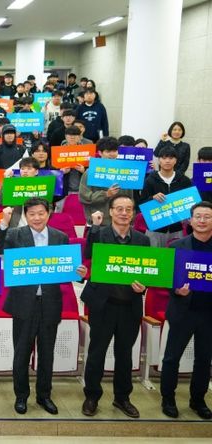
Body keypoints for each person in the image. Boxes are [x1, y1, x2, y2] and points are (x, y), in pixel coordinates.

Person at [0, 198, 87, 415]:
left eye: (41, 213)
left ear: (49, 213)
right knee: (21, 353)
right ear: (26, 215)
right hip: (23, 303)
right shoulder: (15, 234)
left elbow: (68, 268)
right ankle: (21, 396)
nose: (37, 218)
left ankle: (44, 395)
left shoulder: (60, 237)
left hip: (50, 303)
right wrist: (4, 224)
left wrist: (79, 273)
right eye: (32, 214)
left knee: (46, 353)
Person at [81, 195, 150, 418]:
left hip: (130, 305)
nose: (124, 213)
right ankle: (92, 396)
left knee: (125, 355)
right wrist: (93, 227)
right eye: (119, 209)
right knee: (96, 352)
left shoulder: (142, 240)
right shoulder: (99, 234)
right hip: (103, 305)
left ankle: (122, 398)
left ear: (133, 213)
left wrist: (144, 286)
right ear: (110, 211)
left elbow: (147, 270)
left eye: (128, 209)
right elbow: (88, 255)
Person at [160, 202, 212, 419]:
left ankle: (198, 400)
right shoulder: (176, 247)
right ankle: (168, 399)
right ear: (190, 220)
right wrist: (177, 290)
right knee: (172, 358)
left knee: (204, 359)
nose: (202, 221)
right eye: (198, 216)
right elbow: (167, 278)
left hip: (209, 314)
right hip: (183, 311)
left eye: (207, 217)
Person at [139, 146, 192, 247]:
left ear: (175, 160)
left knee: (176, 255)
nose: (167, 161)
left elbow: (191, 202)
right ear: (159, 160)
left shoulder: (184, 180)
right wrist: (152, 198)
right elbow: (141, 203)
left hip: (177, 228)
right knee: (154, 255)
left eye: (171, 158)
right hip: (155, 228)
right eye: (164, 158)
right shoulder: (150, 180)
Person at [79, 137, 133, 227]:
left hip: (121, 221)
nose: (112, 154)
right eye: (108, 151)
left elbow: (130, 198)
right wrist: (106, 194)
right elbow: (84, 197)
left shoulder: (124, 172)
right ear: (100, 153)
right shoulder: (91, 172)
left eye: (115, 151)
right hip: (99, 222)